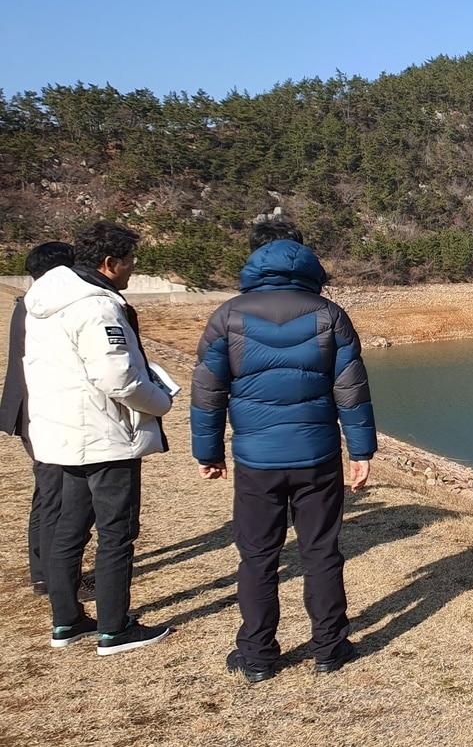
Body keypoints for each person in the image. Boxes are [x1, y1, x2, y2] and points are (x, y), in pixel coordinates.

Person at [191, 219, 376, 682]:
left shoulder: (227, 316)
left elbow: (208, 392)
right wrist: (361, 450)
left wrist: (208, 452)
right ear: (306, 258)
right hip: (317, 457)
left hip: (257, 461)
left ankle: (257, 657)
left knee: (257, 556)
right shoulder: (329, 315)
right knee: (321, 552)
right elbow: (350, 389)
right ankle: (330, 648)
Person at [24, 222, 174, 654]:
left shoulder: (45, 304)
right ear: (110, 264)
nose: (131, 271)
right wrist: (160, 402)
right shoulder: (96, 307)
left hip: (62, 433)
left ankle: (66, 620)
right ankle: (114, 628)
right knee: (117, 533)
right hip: (104, 436)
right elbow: (118, 377)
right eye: (129, 262)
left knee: (68, 529)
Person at [0, 242, 75, 595]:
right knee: (54, 494)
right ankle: (51, 576)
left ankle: (44, 570)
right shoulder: (45, 308)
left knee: (47, 492)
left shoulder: (27, 305)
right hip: (44, 412)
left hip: (28, 410)